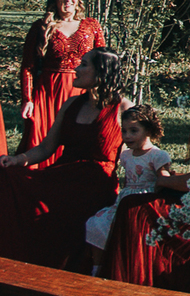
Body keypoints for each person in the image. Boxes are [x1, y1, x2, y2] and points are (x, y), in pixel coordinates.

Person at [107, 45, 190, 288]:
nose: (188, 74)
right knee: (136, 203)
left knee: (133, 208)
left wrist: (163, 180)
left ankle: (131, 290)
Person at [0, 48, 129, 270]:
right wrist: (17, 159)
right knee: (7, 178)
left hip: (95, 186)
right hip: (61, 177)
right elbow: (46, 148)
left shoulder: (123, 108)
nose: (76, 70)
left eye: (83, 65)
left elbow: (133, 152)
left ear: (102, 72)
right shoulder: (71, 104)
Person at [18, 0, 107, 160]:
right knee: (41, 139)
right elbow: (28, 67)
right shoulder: (41, 27)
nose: (68, 0)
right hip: (48, 93)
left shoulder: (92, 26)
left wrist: (102, 93)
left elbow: (103, 63)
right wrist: (27, 99)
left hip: (81, 91)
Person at [85, 104, 172, 271]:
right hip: (125, 199)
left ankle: (123, 267)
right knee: (96, 223)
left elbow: (164, 181)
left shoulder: (157, 155)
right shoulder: (125, 155)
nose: (127, 136)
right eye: (124, 131)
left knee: (126, 231)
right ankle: (98, 266)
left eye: (134, 131)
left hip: (144, 202)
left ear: (148, 130)